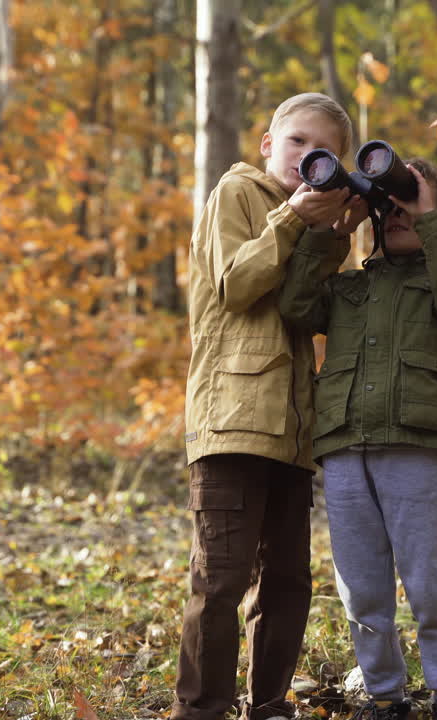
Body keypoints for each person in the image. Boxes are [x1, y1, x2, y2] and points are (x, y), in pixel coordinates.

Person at [173, 92, 368, 720]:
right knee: (221, 578)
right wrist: (290, 218)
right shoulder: (236, 193)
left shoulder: (311, 218)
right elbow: (235, 285)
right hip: (230, 419)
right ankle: (200, 711)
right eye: (297, 142)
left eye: (324, 152)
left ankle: (269, 706)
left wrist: (334, 236)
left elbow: (303, 311)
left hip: (292, 429)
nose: (307, 157)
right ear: (267, 144)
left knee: (286, 583)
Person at [278, 157, 437, 720]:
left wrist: (427, 217)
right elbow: (295, 304)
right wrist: (331, 232)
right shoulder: (349, 286)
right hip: (345, 443)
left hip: (413, 443)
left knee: (427, 580)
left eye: (411, 204)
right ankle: (385, 695)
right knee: (361, 586)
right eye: (388, 206)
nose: (397, 214)